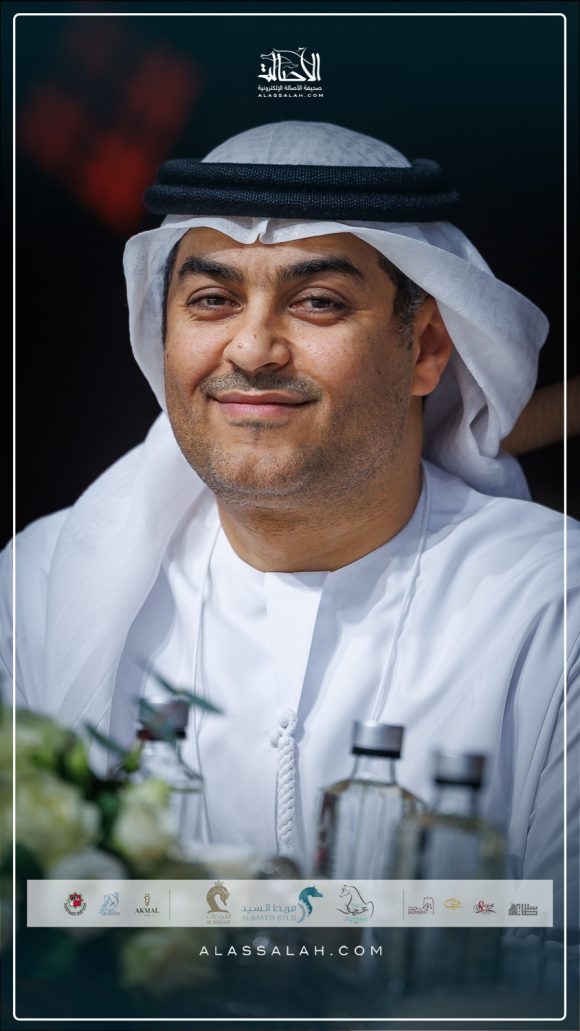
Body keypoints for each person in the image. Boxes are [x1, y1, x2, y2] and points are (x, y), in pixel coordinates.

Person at [3, 122, 578, 926]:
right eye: (212, 300)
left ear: (426, 347)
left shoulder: (553, 605)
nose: (252, 348)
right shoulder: (41, 582)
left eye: (317, 302)